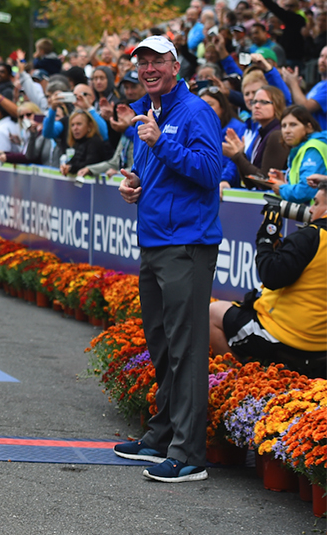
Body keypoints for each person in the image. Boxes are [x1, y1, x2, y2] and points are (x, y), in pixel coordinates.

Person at [114, 36, 223, 483]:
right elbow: (155, 170)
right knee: (160, 342)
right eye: (142, 61)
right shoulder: (152, 112)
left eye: (158, 59)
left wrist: (161, 144)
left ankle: (189, 453)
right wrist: (134, 185)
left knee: (187, 347)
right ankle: (162, 434)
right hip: (155, 240)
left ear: (176, 66)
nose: (149, 67)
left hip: (188, 244)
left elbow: (210, 171)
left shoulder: (197, 112)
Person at [209, 183, 326, 377]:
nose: (311, 209)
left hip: (288, 337)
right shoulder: (311, 238)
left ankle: (239, 387)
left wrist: (266, 239)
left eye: (317, 203)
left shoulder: (311, 236)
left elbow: (271, 276)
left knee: (213, 312)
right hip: (322, 343)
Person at [222, 85, 290, 187]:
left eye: (263, 102)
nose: (256, 106)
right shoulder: (260, 133)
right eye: (254, 102)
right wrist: (241, 154)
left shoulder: (276, 134)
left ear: (277, 105)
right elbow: (250, 182)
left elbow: (265, 181)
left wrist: (236, 156)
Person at [266, 105, 327, 202]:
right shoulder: (301, 148)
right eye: (283, 126)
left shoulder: (313, 148)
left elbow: (305, 191)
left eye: (293, 125)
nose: (287, 131)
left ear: (309, 127)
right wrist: (286, 179)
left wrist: (282, 188)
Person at [61, 110, 111, 177]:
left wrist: (71, 168)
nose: (75, 128)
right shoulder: (79, 142)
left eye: (79, 124)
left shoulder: (95, 141)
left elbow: (90, 164)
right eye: (72, 125)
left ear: (89, 126)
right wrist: (65, 166)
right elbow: (74, 160)